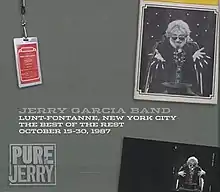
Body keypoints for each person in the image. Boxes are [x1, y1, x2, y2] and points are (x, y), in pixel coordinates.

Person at [145, 20, 211, 96]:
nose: (177, 40)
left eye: (181, 38)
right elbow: (156, 72)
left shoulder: (193, 47)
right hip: (165, 89)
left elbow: (196, 74)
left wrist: (194, 60)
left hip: (188, 89)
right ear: (169, 35)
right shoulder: (161, 46)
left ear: (186, 37)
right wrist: (157, 61)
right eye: (174, 37)